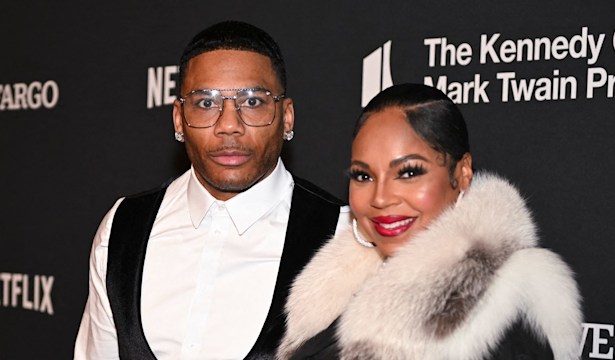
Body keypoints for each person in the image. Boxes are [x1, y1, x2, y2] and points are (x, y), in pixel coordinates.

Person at [74, 20, 349, 359]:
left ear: (287, 116)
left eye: (252, 102)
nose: (229, 125)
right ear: (179, 118)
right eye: (205, 103)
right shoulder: (123, 228)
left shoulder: (343, 236)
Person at [277, 84, 583, 359]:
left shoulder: (501, 308)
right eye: (363, 175)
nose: (381, 198)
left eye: (409, 172)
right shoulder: (338, 287)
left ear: (461, 174)